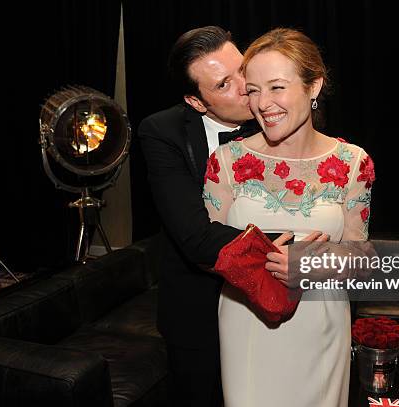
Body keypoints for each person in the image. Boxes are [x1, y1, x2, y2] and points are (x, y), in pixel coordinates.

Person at [137, 26, 325, 407]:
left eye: (242, 70)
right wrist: (284, 252)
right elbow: (194, 236)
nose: (246, 87)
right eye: (224, 84)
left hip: (288, 307)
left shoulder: (281, 110)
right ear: (196, 102)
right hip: (198, 313)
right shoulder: (162, 131)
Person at [203, 28, 375, 406]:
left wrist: (317, 263)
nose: (263, 103)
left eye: (277, 87)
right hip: (248, 322)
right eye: (252, 90)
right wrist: (261, 263)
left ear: (314, 87)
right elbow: (209, 253)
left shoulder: (352, 163)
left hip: (322, 323)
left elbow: (361, 258)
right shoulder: (226, 162)